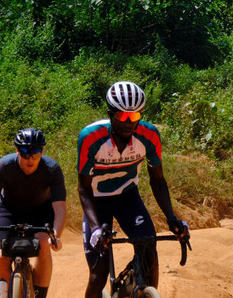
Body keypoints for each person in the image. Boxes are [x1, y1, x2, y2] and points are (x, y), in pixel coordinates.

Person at [78, 81, 189, 298]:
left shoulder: (149, 136)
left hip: (128, 198)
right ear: (110, 114)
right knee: (98, 274)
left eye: (135, 117)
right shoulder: (91, 137)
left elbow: (157, 180)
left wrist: (172, 219)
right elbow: (83, 188)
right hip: (97, 200)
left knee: (149, 248)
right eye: (123, 117)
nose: (129, 123)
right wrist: (96, 228)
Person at [0, 127, 66, 298]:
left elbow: (60, 208)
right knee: (2, 256)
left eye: (36, 152)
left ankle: (40, 295)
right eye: (25, 152)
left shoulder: (52, 169)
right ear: (17, 151)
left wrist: (56, 236)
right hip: (9, 211)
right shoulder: (4, 166)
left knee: (44, 245)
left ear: (42, 151)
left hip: (41, 212)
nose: (30, 158)